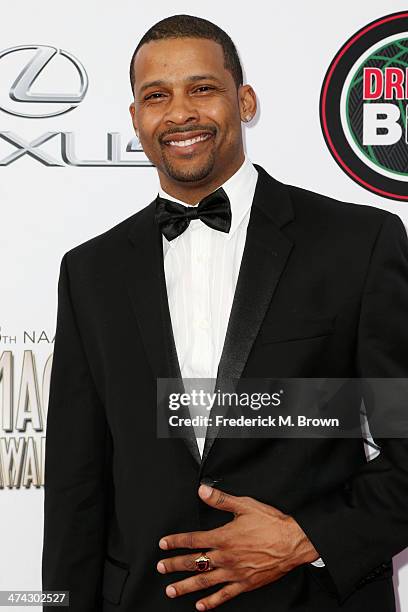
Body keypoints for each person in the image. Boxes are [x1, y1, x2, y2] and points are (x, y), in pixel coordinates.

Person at [42, 13, 408, 612]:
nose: (180, 113)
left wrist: (304, 539)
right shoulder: (91, 272)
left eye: (202, 89)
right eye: (156, 96)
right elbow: (75, 492)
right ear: (135, 119)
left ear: (245, 100)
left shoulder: (356, 245)